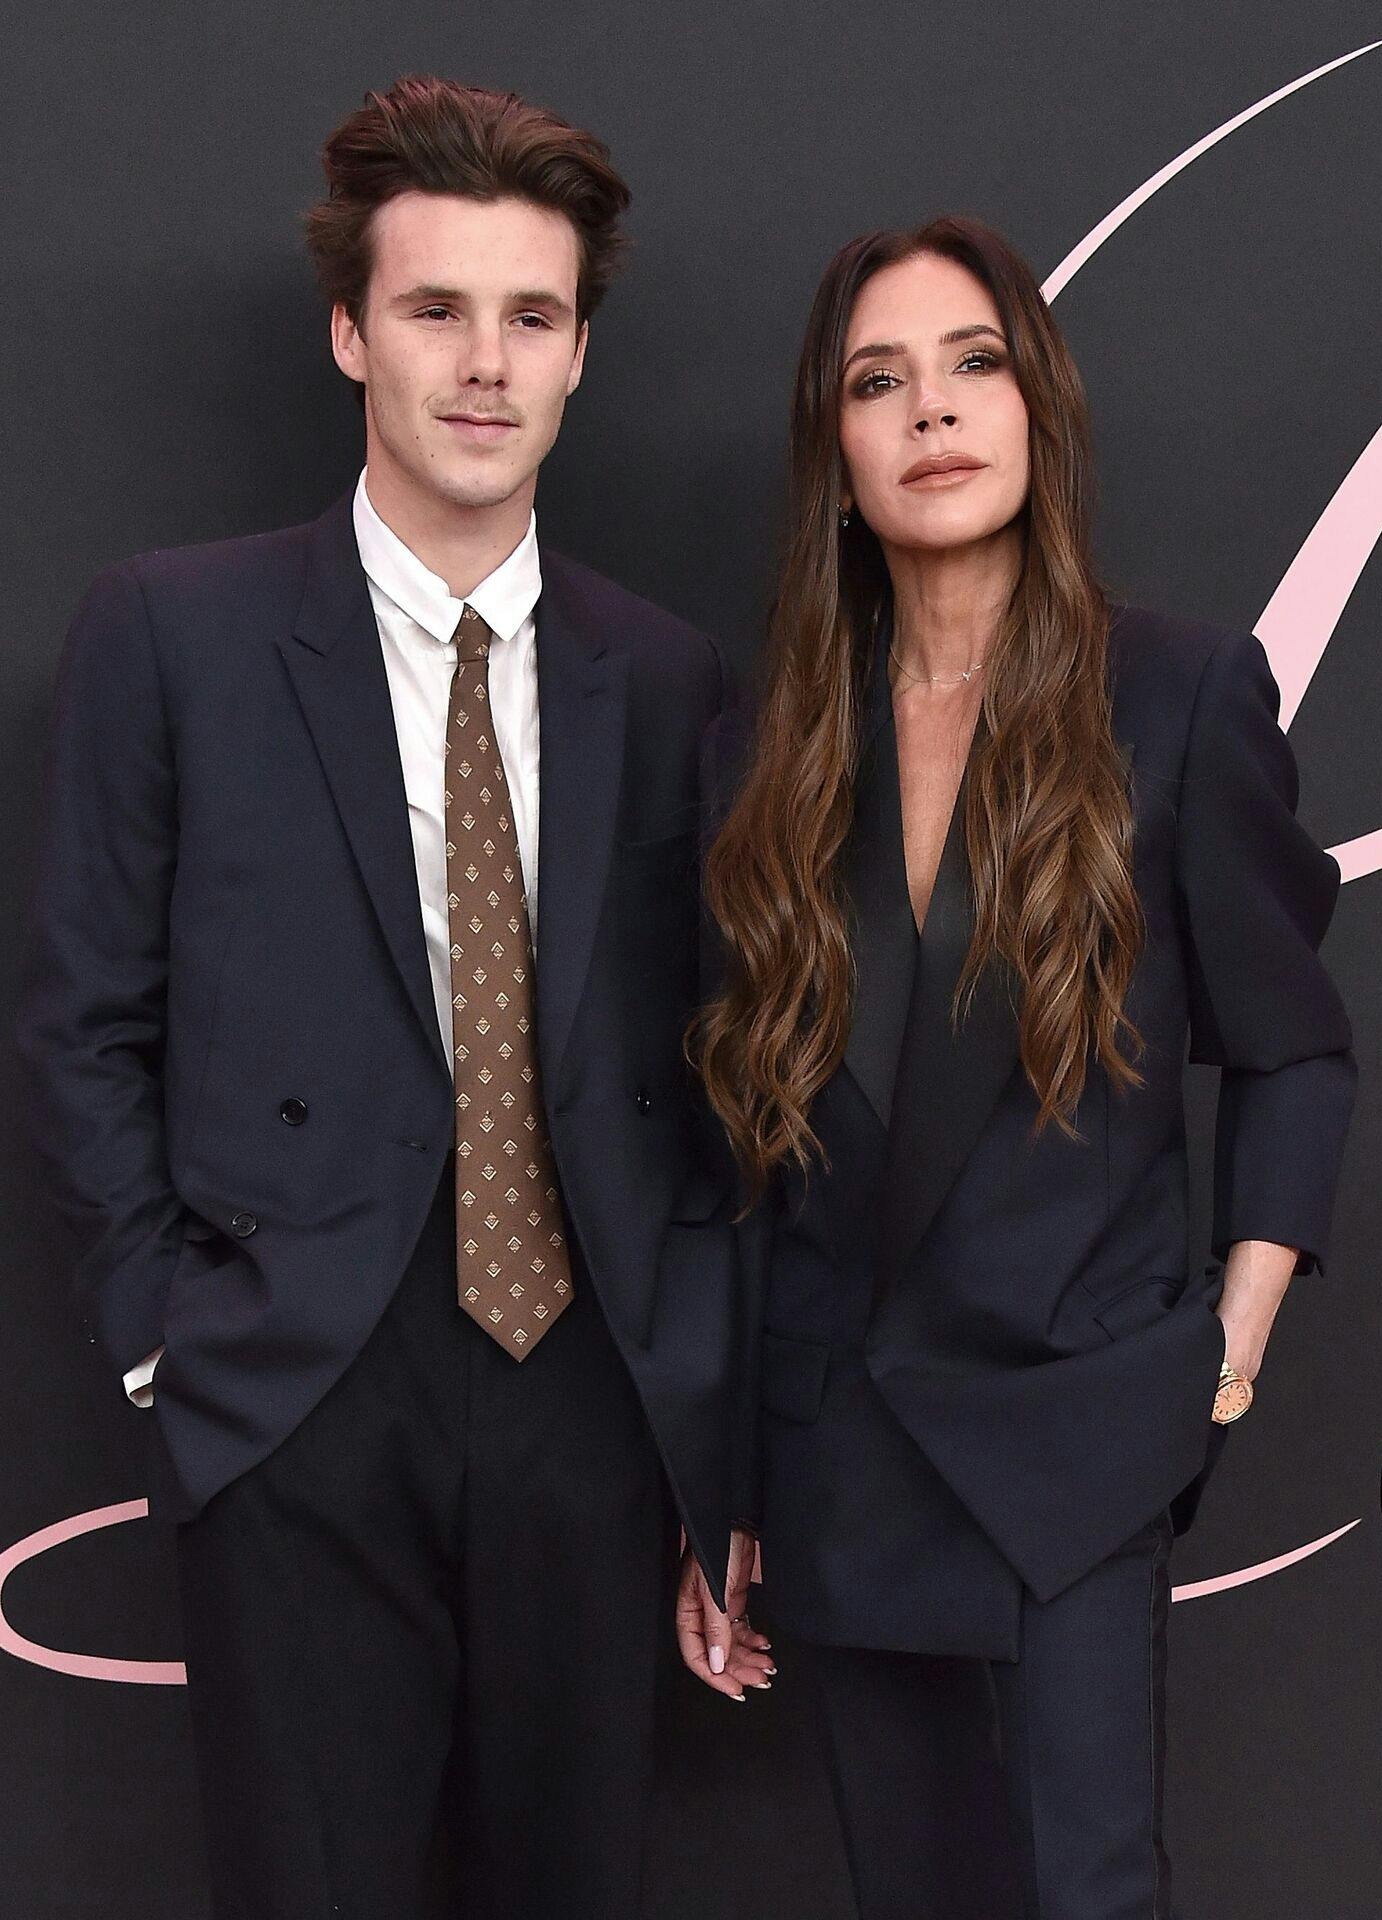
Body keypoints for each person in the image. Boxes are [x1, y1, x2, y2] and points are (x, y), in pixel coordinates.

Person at [19, 75, 770, 1920]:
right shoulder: (172, 630)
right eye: (437, 309)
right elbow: (82, 1016)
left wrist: (699, 1417)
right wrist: (165, 1338)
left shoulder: (668, 678)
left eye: (533, 316)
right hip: (293, 1381)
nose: (485, 364)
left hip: (589, 1396)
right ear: (352, 330)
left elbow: (723, 1056)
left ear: (584, 351)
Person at [676, 216, 1356, 1919]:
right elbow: (742, 1158)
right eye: (878, 382)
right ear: (832, 455)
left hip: (1080, 1418)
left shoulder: (1181, 693)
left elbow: (1293, 1051)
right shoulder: (763, 739)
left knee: (1086, 1889)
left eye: (973, 364)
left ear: (1036, 409)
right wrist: (726, 1479)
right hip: (840, 1435)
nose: (932, 413)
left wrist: (1227, 1342)